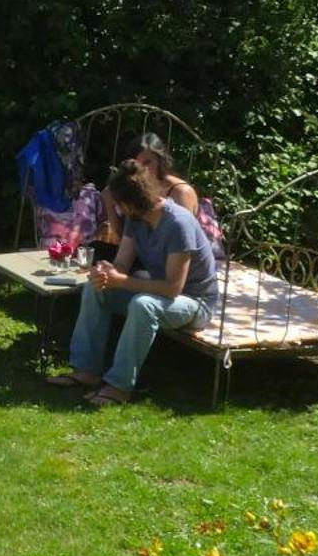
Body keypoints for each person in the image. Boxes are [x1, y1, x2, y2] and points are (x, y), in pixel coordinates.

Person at [50, 158, 219, 406]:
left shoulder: (178, 224)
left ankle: (119, 386)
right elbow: (122, 265)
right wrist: (107, 273)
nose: (118, 209)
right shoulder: (136, 219)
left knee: (143, 305)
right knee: (95, 289)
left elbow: (173, 289)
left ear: (131, 203)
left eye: (119, 204)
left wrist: (122, 281)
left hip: (194, 303)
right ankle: (86, 371)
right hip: (160, 294)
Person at [95, 133, 202, 262]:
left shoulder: (180, 192)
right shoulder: (135, 190)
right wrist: (110, 204)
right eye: (138, 164)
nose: (144, 169)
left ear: (160, 161)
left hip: (171, 260)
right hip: (141, 254)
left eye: (148, 162)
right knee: (95, 252)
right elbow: (123, 237)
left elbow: (182, 240)